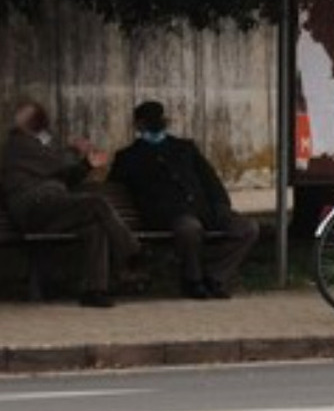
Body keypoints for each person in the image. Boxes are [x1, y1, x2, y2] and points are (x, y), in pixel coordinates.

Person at [109, 102, 259, 300]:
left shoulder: (185, 148)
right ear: (139, 126)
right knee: (190, 229)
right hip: (167, 215)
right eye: (149, 121)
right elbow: (116, 186)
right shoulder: (129, 156)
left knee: (248, 228)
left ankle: (215, 276)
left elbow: (210, 180)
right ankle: (193, 280)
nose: (155, 125)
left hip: (205, 209)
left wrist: (221, 206)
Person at [0, 102, 140, 308]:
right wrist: (76, 150)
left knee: (95, 227)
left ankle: (94, 291)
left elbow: (66, 176)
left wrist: (86, 165)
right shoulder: (19, 144)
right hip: (34, 208)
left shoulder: (45, 143)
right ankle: (132, 252)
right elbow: (58, 162)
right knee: (96, 203)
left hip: (54, 207)